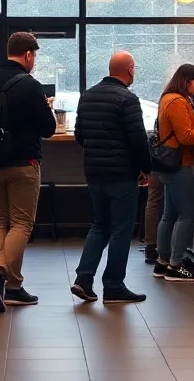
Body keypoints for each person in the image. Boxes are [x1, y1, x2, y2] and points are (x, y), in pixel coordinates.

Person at [0, 32, 56, 312]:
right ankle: (1, 277)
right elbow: (48, 129)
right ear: (29, 55)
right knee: (21, 224)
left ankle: (11, 284)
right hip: (24, 163)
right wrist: (46, 107)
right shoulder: (30, 86)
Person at [71, 51, 152, 304]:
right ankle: (114, 285)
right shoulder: (127, 99)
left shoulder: (87, 96)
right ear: (129, 70)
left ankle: (83, 278)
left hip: (94, 172)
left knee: (100, 224)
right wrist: (145, 168)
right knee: (120, 229)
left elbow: (80, 135)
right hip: (121, 173)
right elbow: (138, 139)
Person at [154, 63, 194, 282]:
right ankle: (176, 264)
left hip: (168, 162)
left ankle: (162, 262)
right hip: (178, 162)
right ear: (185, 81)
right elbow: (186, 136)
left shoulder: (168, 98)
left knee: (170, 213)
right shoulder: (178, 101)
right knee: (189, 214)